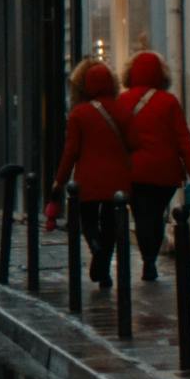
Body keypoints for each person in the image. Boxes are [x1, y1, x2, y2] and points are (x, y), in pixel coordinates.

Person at [51, 56, 133, 295]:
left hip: (88, 180)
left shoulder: (79, 114)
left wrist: (59, 181)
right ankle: (104, 268)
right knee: (111, 226)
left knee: (88, 221)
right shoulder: (122, 110)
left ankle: (95, 248)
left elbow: (70, 152)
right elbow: (133, 143)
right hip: (117, 180)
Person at [117, 49, 190, 276]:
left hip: (134, 170)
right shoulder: (169, 102)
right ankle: (151, 255)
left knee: (141, 214)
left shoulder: (123, 101)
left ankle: (148, 258)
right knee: (155, 213)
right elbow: (182, 137)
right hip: (165, 172)